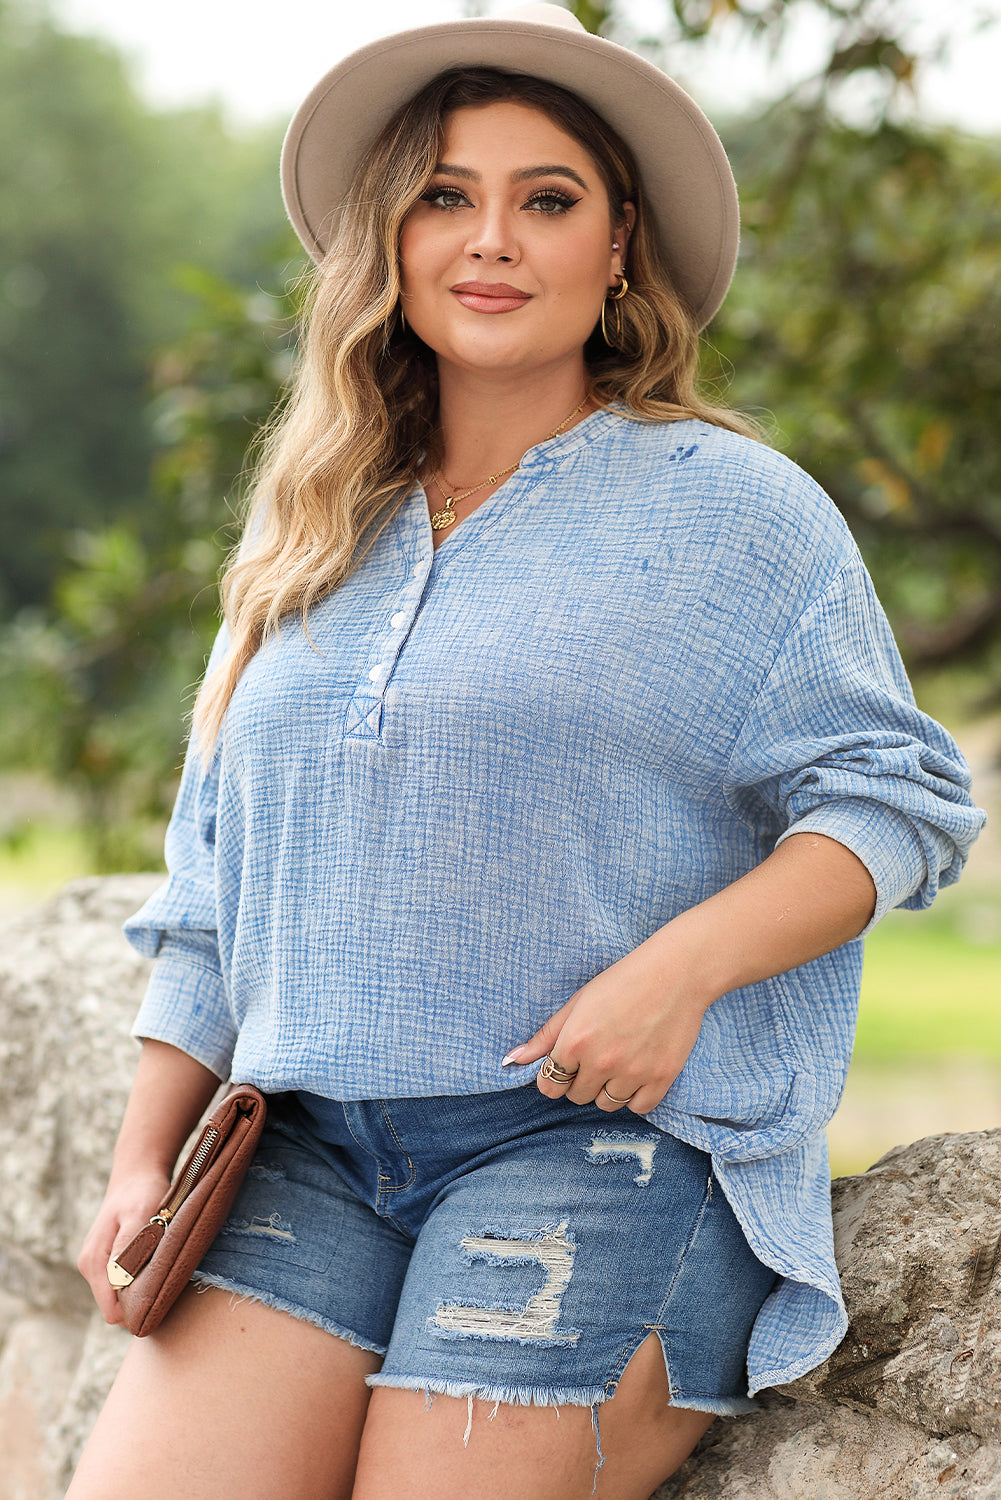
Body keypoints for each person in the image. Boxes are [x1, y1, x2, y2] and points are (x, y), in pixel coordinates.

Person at [69, 6, 985, 1498]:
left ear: (616, 245)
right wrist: (137, 1164)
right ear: (392, 239)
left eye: (543, 200)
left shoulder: (734, 512)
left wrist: (673, 971)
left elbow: (896, 800)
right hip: (304, 1149)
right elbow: (212, 889)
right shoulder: (310, 529)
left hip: (592, 1154)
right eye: (445, 195)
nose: (489, 239)